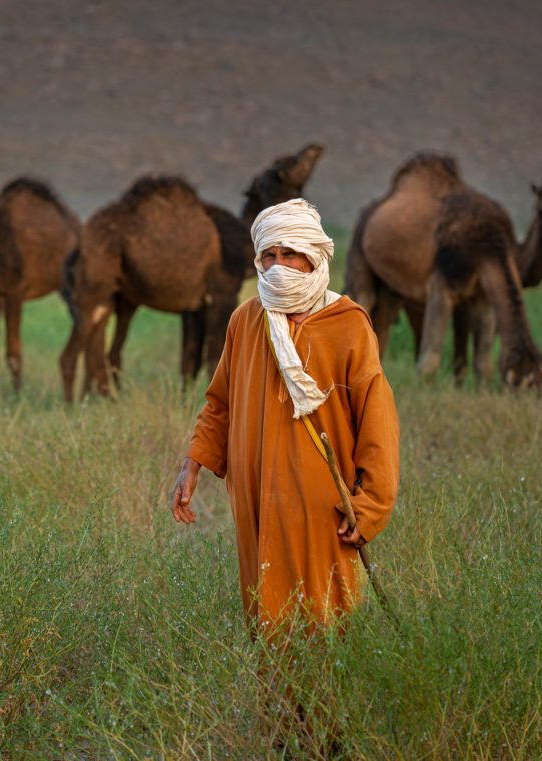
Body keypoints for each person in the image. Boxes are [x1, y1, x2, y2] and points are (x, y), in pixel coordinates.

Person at [170, 198, 399, 632]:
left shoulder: (348, 324)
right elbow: (220, 402)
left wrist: (369, 507)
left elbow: (377, 422)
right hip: (255, 498)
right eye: (269, 255)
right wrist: (193, 463)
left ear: (313, 256)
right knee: (266, 615)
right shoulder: (246, 320)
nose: (279, 265)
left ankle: (327, 703)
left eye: (290, 253)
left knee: (326, 618)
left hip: (324, 507)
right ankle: (274, 703)